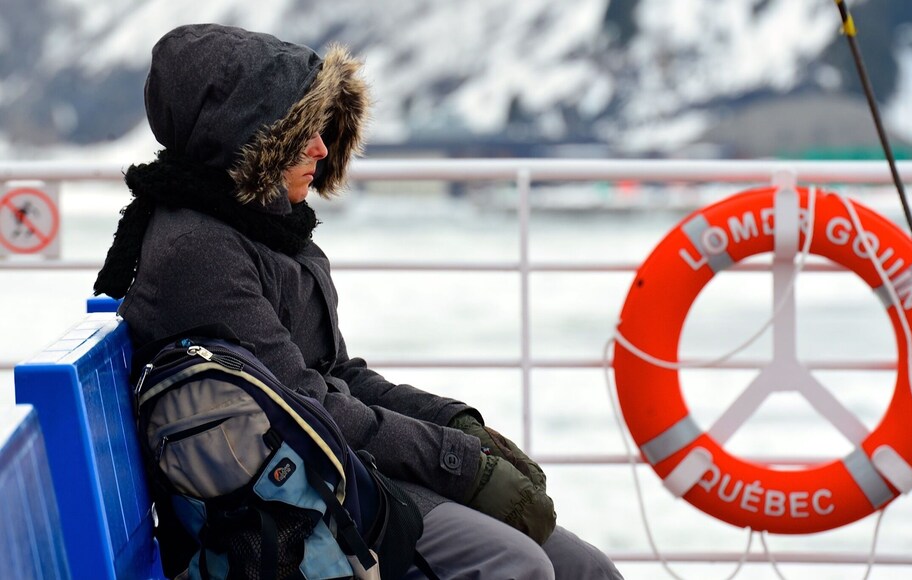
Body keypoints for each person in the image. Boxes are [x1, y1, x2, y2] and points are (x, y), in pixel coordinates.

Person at [94, 23, 622, 579]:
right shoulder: (201, 251)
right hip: (290, 507)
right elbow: (307, 409)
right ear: (243, 134)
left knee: (584, 567)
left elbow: (337, 374)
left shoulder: (265, 226)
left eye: (320, 129)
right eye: (301, 132)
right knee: (514, 565)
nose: (321, 148)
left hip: (337, 469)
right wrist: (458, 465)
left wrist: (459, 429)